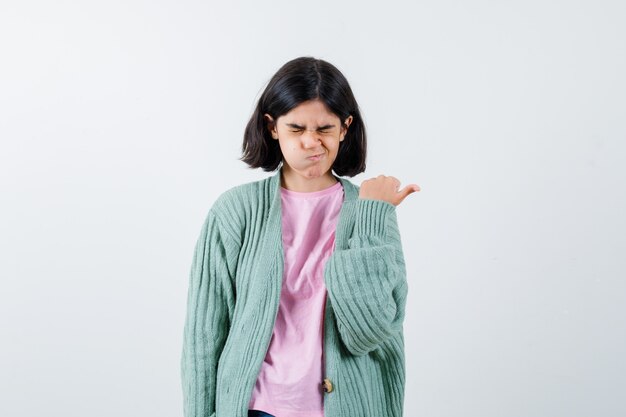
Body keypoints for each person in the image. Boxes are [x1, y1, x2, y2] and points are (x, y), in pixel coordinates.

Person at [181, 56, 420, 417]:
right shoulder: (236, 212)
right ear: (272, 127)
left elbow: (370, 331)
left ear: (345, 128)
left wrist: (372, 218)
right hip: (255, 408)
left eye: (325, 128)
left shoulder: (369, 211)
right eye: (296, 129)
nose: (312, 143)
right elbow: (203, 336)